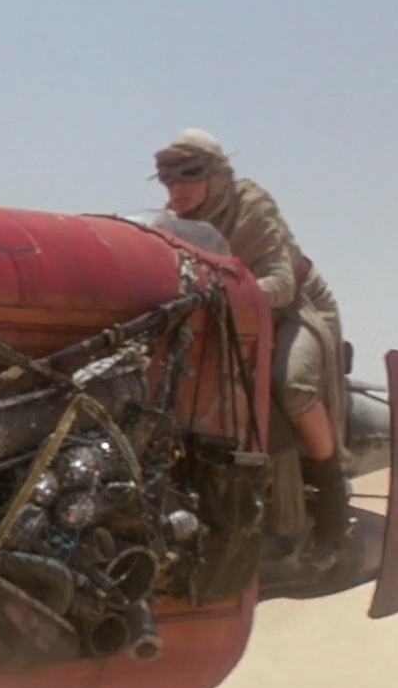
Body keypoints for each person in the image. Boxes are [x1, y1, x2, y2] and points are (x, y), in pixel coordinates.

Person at [151, 128, 353, 571]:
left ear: (218, 175)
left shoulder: (253, 206)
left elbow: (280, 283)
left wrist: (219, 294)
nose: (177, 188)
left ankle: (333, 499)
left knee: (290, 384)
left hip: (295, 308)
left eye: (189, 175)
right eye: (168, 179)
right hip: (227, 315)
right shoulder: (171, 223)